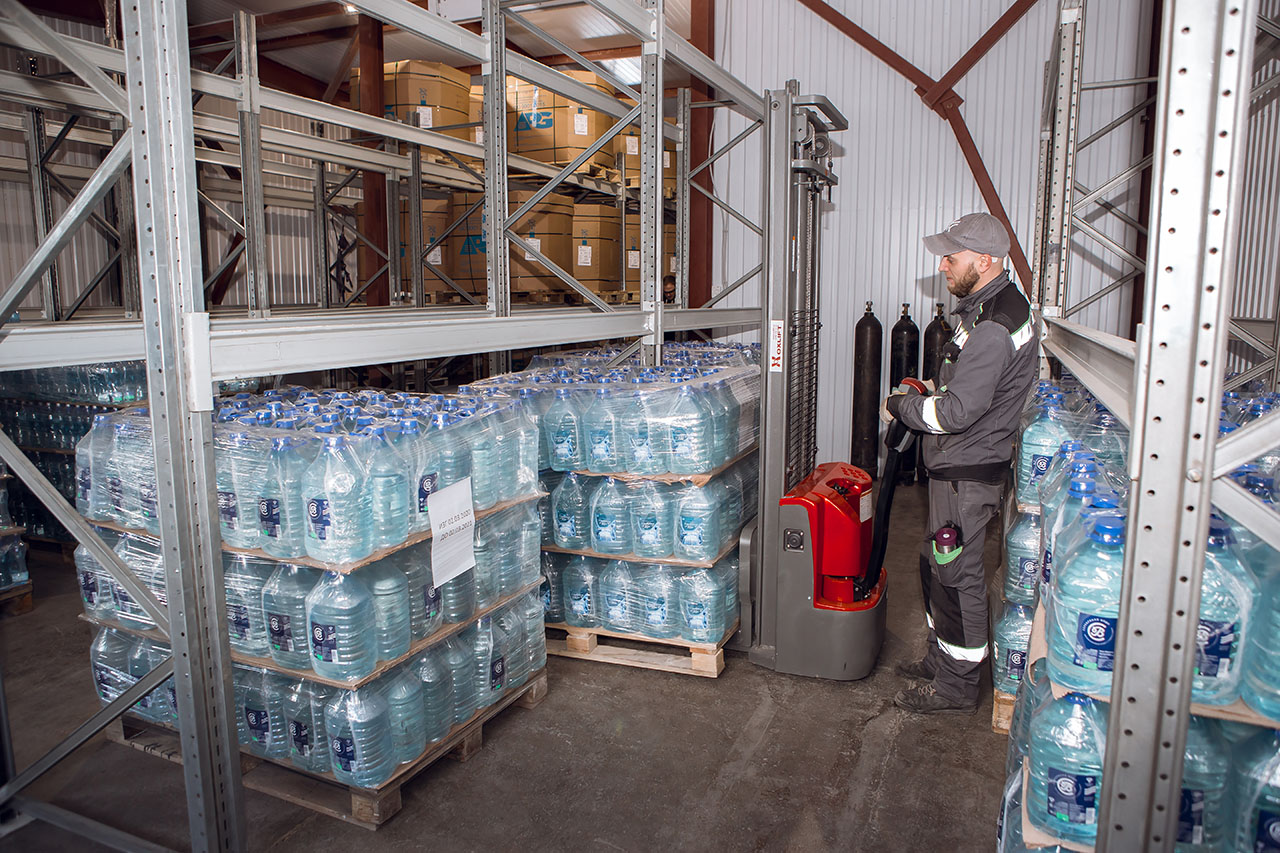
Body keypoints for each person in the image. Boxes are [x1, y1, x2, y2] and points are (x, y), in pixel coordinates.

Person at [880, 212, 1038, 715]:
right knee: (935, 568)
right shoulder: (984, 309)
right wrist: (928, 387)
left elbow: (958, 411)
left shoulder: (994, 323)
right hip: (957, 466)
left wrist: (902, 406)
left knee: (957, 576)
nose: (943, 264)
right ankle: (939, 661)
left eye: (952, 256)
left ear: (985, 260)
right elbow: (966, 387)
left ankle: (955, 689)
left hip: (968, 471)